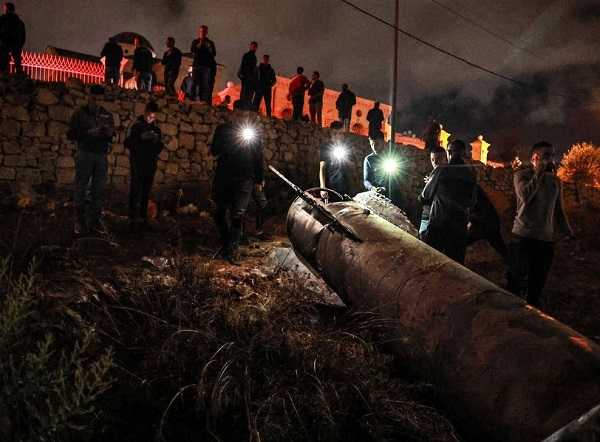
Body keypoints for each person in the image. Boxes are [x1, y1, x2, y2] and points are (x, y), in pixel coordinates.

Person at [507, 141, 573, 308]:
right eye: (545, 156)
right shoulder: (521, 175)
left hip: (545, 240)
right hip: (523, 238)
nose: (550, 160)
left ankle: (532, 320)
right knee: (516, 283)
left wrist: (566, 232)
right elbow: (525, 197)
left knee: (537, 284)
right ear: (534, 158)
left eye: (552, 156)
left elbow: (559, 209)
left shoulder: (556, 182)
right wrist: (538, 173)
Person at [210, 120, 264, 264]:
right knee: (219, 212)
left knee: (238, 214)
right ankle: (227, 241)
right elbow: (214, 150)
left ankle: (231, 249)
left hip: (245, 177)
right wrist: (230, 143)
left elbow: (258, 156)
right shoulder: (223, 129)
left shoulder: (253, 131)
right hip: (224, 176)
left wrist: (259, 180)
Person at [67, 85, 115, 235]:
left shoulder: (106, 115)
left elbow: (112, 134)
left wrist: (108, 133)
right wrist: (88, 133)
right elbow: (71, 134)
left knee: (98, 189)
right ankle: (79, 221)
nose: (97, 102)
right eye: (94, 99)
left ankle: (95, 220)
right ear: (89, 97)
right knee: (81, 187)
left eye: (100, 99)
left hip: (101, 156)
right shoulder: (80, 114)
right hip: (85, 153)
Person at [420, 139, 477, 264]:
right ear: (464, 153)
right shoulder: (471, 174)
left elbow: (425, 195)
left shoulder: (441, 170)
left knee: (432, 262)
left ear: (448, 152)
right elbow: (472, 202)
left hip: (438, 225)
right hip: (459, 228)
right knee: (456, 267)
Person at [124, 101, 164, 232]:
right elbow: (127, 143)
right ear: (145, 112)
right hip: (137, 163)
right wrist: (141, 138)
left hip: (150, 164)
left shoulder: (156, 129)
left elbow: (159, 149)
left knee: (146, 192)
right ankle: (132, 218)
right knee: (135, 191)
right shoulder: (136, 126)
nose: (151, 119)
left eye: (154, 117)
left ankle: (143, 218)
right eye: (149, 116)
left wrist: (156, 141)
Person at [467, 185, 509, 263]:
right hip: (488, 223)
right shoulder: (473, 186)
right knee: (502, 249)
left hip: (485, 224)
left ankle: (516, 268)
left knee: (459, 243)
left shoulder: (471, 187)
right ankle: (516, 268)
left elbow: (474, 207)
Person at [419, 147, 447, 239]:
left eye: (438, 159)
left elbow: (425, 195)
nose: (435, 162)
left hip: (431, 216)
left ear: (445, 158)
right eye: (432, 159)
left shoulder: (439, 170)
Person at [319, 121, 349, 200]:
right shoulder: (326, 148)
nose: (338, 136)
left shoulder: (347, 148)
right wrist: (323, 188)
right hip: (330, 189)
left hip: (345, 188)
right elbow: (322, 168)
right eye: (335, 133)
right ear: (331, 134)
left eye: (340, 133)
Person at [190, 25, 217, 103]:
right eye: (201, 31)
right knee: (194, 83)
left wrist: (209, 47)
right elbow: (192, 51)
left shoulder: (210, 43)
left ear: (206, 32)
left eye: (204, 31)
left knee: (205, 85)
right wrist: (200, 44)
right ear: (199, 32)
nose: (202, 33)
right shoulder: (195, 41)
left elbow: (214, 54)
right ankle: (192, 100)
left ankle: (203, 101)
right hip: (197, 65)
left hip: (206, 67)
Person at [0, 2, 26, 74]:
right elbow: (23, 36)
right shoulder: (20, 22)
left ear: (6, 9)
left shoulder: (2, 20)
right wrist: (19, 45)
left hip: (5, 44)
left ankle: (4, 76)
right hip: (16, 45)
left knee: (3, 64)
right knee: (18, 63)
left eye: (4, 8)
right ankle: (19, 77)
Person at [238, 41, 258, 109]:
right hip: (247, 78)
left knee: (247, 94)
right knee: (245, 93)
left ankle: (244, 108)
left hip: (249, 78)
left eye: (254, 47)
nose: (253, 48)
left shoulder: (253, 57)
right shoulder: (247, 55)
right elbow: (243, 66)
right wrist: (244, 75)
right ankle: (243, 108)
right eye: (252, 46)